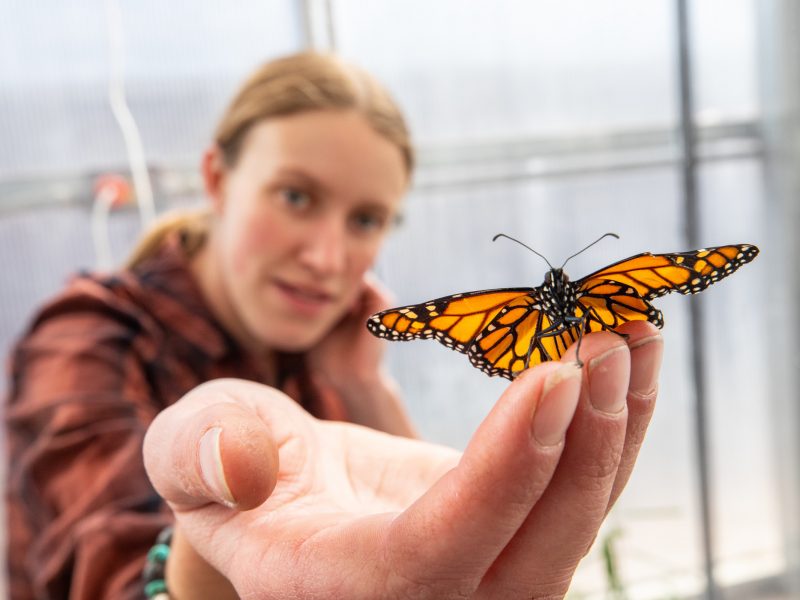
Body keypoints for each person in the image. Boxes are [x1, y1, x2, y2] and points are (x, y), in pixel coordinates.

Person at [5, 51, 664, 599]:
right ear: (218, 180)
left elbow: (434, 529)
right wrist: (198, 558)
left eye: (365, 221)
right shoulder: (84, 338)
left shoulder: (326, 352)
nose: (326, 258)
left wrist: (366, 389)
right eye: (296, 197)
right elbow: (103, 573)